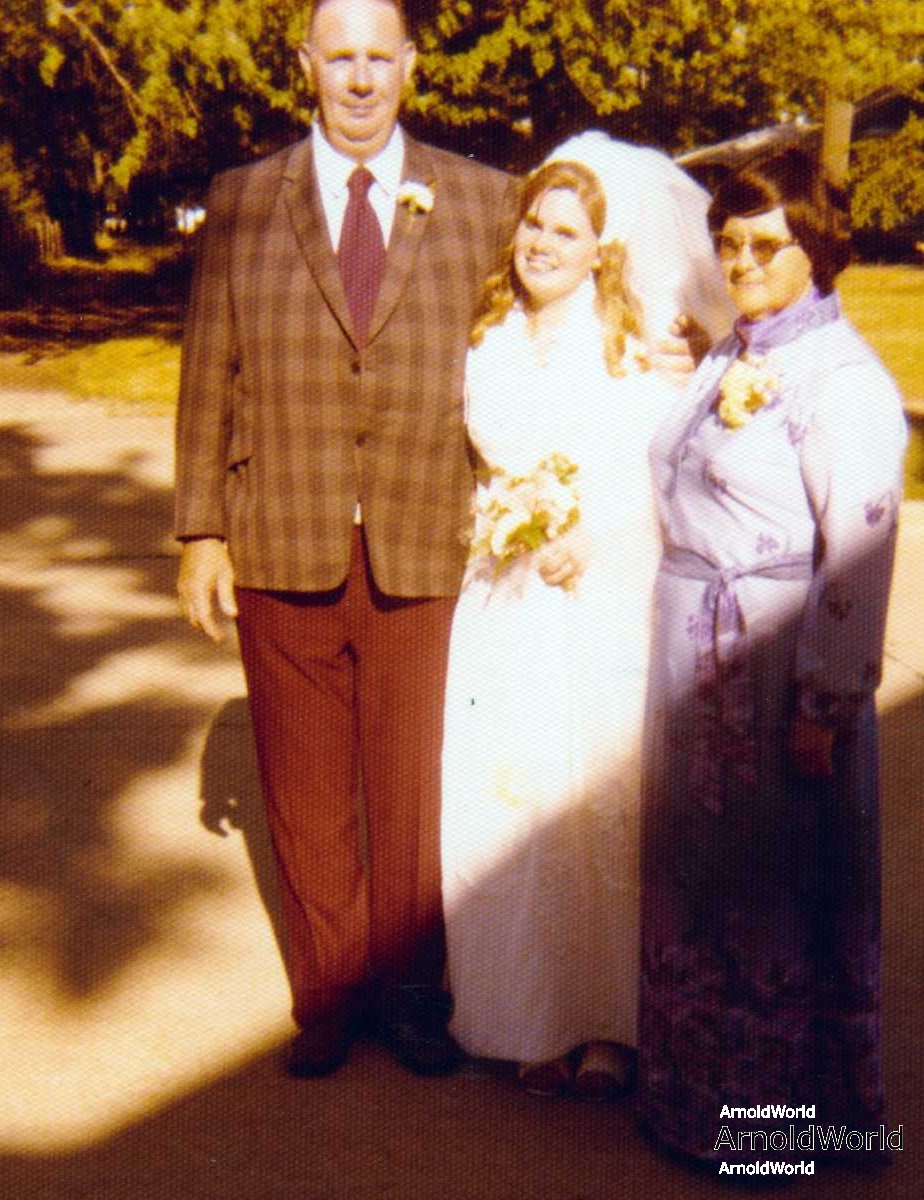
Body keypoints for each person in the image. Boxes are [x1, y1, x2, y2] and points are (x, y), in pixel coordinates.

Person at [175, 0, 518, 1078]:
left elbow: (544, 329)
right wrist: (200, 531)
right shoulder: (242, 200)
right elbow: (207, 371)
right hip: (283, 528)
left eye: (380, 57)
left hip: (426, 532)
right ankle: (330, 991)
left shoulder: (483, 199)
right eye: (341, 59)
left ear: (410, 65)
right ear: (307, 66)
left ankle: (413, 992)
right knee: (304, 780)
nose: (361, 79)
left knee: (412, 783)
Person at [440, 136, 730, 1098]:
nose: (542, 243)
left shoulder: (629, 348)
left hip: (596, 591)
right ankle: (528, 1017)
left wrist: (591, 532)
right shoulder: (487, 336)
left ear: (601, 250)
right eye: (535, 224)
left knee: (594, 805)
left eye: (567, 233)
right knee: (511, 801)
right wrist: (516, 524)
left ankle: (610, 1026)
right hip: (505, 595)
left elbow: (655, 465)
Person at [638, 148, 906, 1168]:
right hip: (696, 661)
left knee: (774, 892)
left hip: (780, 669)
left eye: (764, 244)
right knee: (702, 881)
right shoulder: (732, 354)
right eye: (728, 243)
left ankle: (782, 1134)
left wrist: (823, 701)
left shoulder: (845, 381)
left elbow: (861, 550)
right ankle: (702, 1109)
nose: (740, 261)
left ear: (817, 251)